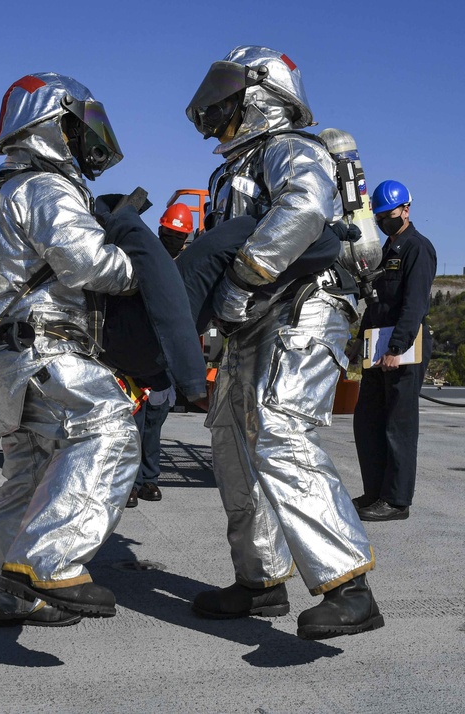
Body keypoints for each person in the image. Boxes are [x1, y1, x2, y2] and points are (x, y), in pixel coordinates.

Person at [183, 46, 383, 640]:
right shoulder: (234, 168)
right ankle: (261, 580)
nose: (214, 99)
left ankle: (350, 588)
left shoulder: (292, 149)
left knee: (278, 431)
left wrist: (241, 281)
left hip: (304, 307)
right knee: (230, 442)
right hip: (251, 316)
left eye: (227, 87)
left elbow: (303, 209)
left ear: (262, 94)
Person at [0, 72, 140, 626]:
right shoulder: (46, 187)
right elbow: (87, 262)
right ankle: (52, 561)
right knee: (110, 426)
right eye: (78, 126)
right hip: (46, 348)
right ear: (51, 126)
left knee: (25, 479)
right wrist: (142, 269)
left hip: (6, 359)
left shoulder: (7, 188)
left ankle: (4, 595)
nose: (87, 138)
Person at [350, 180, 437, 522]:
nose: (385, 220)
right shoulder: (383, 251)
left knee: (398, 425)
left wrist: (397, 347)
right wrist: (359, 338)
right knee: (368, 421)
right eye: (381, 216)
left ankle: (397, 501)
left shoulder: (417, 247)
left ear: (406, 210)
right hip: (377, 343)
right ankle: (375, 493)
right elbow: (375, 303)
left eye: (390, 214)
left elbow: (414, 305)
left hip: (404, 345)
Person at [126, 203, 195, 508]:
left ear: (186, 238)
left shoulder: (187, 267)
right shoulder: (146, 258)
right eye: (169, 233)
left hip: (164, 359)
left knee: (154, 424)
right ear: (160, 230)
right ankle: (129, 482)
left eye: (178, 235)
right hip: (138, 352)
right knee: (133, 424)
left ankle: (148, 479)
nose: (172, 239)